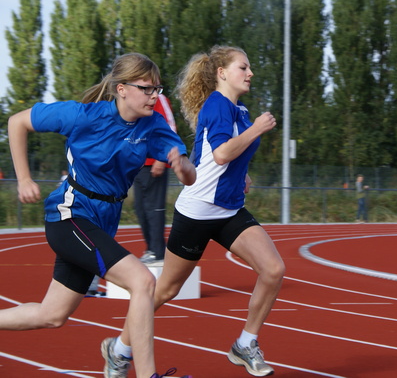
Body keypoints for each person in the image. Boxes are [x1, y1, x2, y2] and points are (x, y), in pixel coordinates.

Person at [3, 53, 196, 378]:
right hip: (70, 215)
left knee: (52, 315)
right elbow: (17, 122)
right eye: (147, 89)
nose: (154, 96)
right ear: (122, 89)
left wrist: (184, 166)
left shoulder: (153, 128)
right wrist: (24, 178)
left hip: (101, 223)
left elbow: (189, 176)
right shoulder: (84, 115)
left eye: (158, 89)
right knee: (143, 281)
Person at [112, 45, 284, 377]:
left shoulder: (240, 110)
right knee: (166, 290)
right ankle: (119, 350)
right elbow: (220, 154)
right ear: (222, 73)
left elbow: (222, 155)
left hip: (229, 209)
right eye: (243, 67)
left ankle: (245, 344)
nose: (250, 74)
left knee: (273, 269)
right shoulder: (218, 106)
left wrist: (243, 172)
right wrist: (257, 130)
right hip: (198, 211)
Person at [134, 95, 177, 264]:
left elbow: (171, 127)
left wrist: (162, 158)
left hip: (155, 163)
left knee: (154, 209)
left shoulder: (159, 98)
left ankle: (158, 251)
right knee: (140, 209)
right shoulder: (135, 98)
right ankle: (151, 248)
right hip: (137, 164)